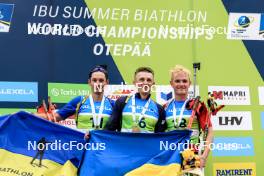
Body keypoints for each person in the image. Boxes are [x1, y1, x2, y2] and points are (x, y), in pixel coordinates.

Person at [37, 65, 114, 133]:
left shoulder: (113, 104)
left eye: (101, 80)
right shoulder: (79, 101)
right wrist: (29, 115)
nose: (97, 83)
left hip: (105, 148)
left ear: (107, 82)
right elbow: (55, 117)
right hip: (83, 147)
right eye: (94, 80)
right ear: (89, 82)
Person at [164, 65, 213, 168]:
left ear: (189, 84)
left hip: (192, 158)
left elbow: (210, 132)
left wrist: (203, 157)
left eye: (184, 81)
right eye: (177, 81)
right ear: (171, 84)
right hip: (170, 157)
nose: (181, 84)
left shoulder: (198, 105)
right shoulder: (165, 107)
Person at [105, 67, 167, 133]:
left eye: (149, 80)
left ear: (153, 84)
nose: (145, 83)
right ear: (135, 83)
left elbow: (159, 137)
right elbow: (110, 129)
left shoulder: (159, 108)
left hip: (147, 143)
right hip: (125, 143)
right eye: (141, 79)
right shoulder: (122, 102)